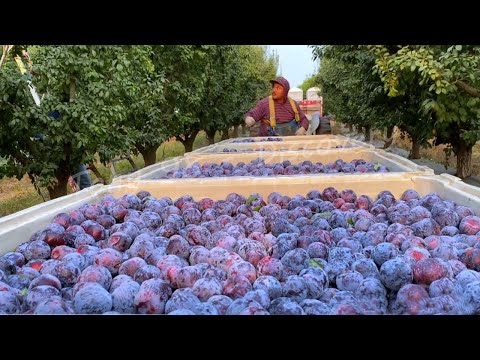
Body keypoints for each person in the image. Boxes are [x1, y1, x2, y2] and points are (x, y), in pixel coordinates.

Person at [244, 76, 309, 136]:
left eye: (278, 88)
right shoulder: (264, 104)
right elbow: (251, 115)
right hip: (268, 145)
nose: (274, 90)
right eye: (274, 87)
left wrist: (303, 128)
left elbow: (304, 119)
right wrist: (249, 119)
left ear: (285, 91)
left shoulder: (293, 104)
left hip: (289, 144)